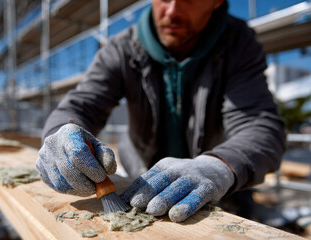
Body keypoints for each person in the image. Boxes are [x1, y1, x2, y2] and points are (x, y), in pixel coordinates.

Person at [36, 0, 286, 222]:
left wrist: (220, 165)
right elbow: (80, 106)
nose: (172, 10)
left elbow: (259, 124)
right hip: (140, 183)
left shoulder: (238, 43)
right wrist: (60, 133)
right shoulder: (121, 49)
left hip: (221, 193)